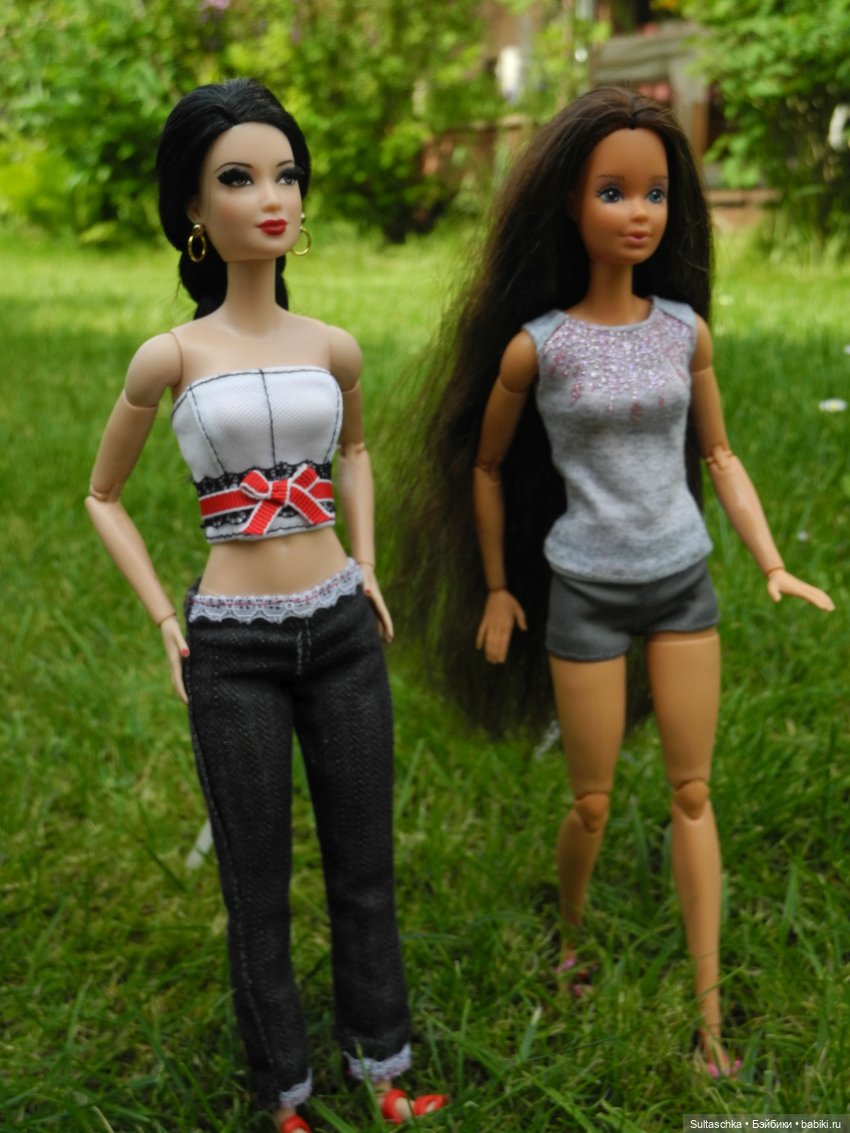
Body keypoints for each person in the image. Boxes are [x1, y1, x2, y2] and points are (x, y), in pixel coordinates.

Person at [396, 86, 834, 1078]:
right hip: (585, 589)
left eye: (655, 193)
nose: (638, 212)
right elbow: (485, 465)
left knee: (692, 790)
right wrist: (498, 586)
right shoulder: (538, 346)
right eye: (612, 191)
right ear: (569, 202)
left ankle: (710, 1018)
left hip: (681, 582)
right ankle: (570, 941)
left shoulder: (684, 331)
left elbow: (719, 454)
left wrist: (771, 562)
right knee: (590, 800)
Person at [85, 78, 447, 1130]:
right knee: (257, 882)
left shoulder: (333, 345)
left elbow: (357, 450)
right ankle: (283, 1090)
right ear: (195, 211)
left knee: (364, 865)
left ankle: (382, 1063)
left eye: (285, 175)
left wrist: (367, 562)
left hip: (340, 625)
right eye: (239, 178)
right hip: (231, 646)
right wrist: (166, 617)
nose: (271, 196)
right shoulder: (171, 356)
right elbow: (101, 494)